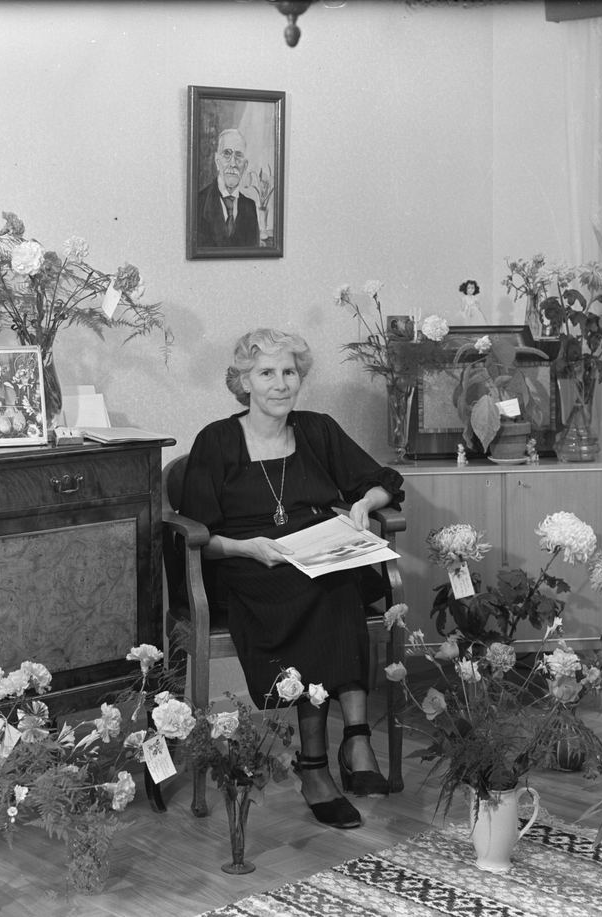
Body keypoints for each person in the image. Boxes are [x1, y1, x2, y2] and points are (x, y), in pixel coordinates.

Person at [179, 328, 405, 829]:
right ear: (244, 382)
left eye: (289, 372)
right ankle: (319, 766)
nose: (280, 384)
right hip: (246, 564)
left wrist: (363, 505)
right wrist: (249, 548)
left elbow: (383, 482)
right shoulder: (217, 441)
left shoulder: (316, 430)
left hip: (316, 554)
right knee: (317, 587)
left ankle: (352, 740)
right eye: (266, 373)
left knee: (339, 578)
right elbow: (201, 538)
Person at [196, 128, 261, 248]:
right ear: (217, 161)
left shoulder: (250, 207)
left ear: (245, 166)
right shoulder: (198, 204)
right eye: (227, 154)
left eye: (238, 156)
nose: (233, 163)